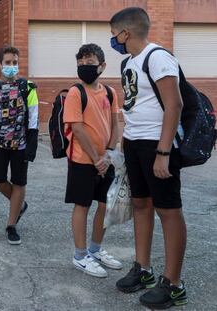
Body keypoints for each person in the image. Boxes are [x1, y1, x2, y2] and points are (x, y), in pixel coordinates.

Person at [110, 7, 188, 309]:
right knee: (141, 204)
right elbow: (134, 103)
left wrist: (164, 152)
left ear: (125, 33)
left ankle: (174, 283)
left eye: (114, 35)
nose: (114, 40)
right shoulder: (130, 61)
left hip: (158, 143)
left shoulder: (158, 57)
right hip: (134, 143)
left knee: (168, 210)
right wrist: (124, 142)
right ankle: (143, 269)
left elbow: (174, 104)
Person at [63, 44, 122, 278]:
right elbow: (77, 128)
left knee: (105, 205)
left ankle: (95, 249)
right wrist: (97, 159)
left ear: (102, 66)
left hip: (105, 160)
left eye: (89, 63)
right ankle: (80, 255)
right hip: (82, 160)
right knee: (83, 206)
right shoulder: (76, 92)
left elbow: (116, 123)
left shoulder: (110, 92)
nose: (84, 67)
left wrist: (108, 154)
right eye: (80, 63)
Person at [0, 46, 39, 245]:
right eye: (7, 63)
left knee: (19, 182)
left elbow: (33, 119)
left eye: (15, 62)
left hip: (20, 144)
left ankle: (11, 225)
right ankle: (19, 205)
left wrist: (31, 147)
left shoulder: (28, 87)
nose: (12, 66)